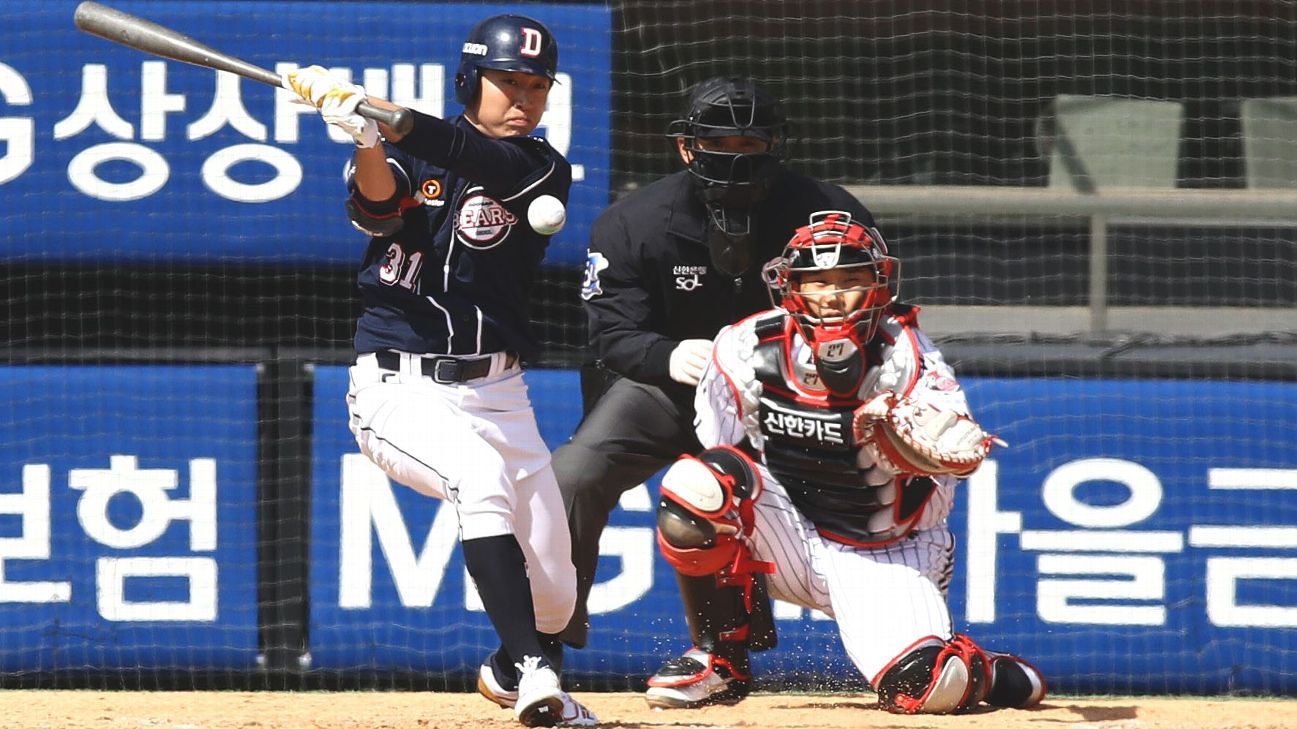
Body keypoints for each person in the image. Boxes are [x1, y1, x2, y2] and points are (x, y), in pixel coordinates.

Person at [282, 15, 596, 728]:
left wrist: (378, 112)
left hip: (501, 393)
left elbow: (460, 147)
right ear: (469, 81)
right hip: (400, 386)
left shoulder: (541, 166)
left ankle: (509, 661)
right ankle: (539, 675)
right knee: (476, 482)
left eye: (535, 86)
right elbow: (379, 212)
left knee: (556, 595)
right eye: (506, 81)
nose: (522, 98)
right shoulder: (410, 154)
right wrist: (364, 135)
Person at [553, 75, 879, 708]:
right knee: (574, 473)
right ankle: (541, 642)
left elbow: (872, 313)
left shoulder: (826, 213)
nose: (737, 156)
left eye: (752, 142)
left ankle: (731, 653)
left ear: (777, 145)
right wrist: (671, 354)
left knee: (719, 488)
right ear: (686, 148)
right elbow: (610, 334)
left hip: (788, 396)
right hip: (669, 384)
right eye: (720, 142)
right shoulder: (633, 221)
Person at [651, 210, 1048, 714]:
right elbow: (723, 452)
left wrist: (935, 451)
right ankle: (719, 659)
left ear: (878, 284)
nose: (833, 294)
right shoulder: (744, 345)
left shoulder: (906, 355)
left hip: (884, 547)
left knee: (927, 688)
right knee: (696, 486)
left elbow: (959, 454)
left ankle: (986, 672)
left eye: (849, 280)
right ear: (790, 286)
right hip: (788, 529)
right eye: (817, 281)